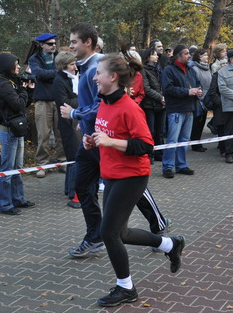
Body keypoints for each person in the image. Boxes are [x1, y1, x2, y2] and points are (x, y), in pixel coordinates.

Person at [60, 23, 170, 257]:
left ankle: (158, 224)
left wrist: (75, 114)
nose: (70, 46)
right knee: (83, 187)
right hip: (92, 138)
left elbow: (103, 104)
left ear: (87, 42)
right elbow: (95, 105)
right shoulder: (85, 67)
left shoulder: (98, 68)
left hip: (107, 140)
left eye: (74, 42)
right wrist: (85, 123)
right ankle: (95, 236)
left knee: (131, 187)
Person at [88, 52, 185, 307]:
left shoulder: (130, 108)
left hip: (132, 176)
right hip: (112, 174)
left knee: (108, 232)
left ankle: (126, 288)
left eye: (99, 73)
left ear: (113, 77)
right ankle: (169, 244)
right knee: (121, 232)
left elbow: (146, 145)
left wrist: (111, 142)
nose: (95, 77)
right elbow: (108, 134)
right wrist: (94, 141)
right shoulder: (105, 103)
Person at [0, 53, 34, 215]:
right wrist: (24, 91)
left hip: (17, 130)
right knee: (7, 168)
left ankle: (18, 199)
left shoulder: (13, 82)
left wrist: (29, 90)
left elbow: (25, 104)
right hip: (8, 131)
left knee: (17, 167)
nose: (19, 67)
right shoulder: (4, 85)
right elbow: (18, 105)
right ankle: (5, 204)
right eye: (16, 64)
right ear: (7, 66)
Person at [27, 33, 66, 177]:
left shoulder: (60, 56)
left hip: (60, 100)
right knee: (43, 134)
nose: (53, 46)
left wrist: (49, 74)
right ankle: (42, 165)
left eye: (54, 43)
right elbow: (38, 74)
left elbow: (66, 72)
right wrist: (57, 73)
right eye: (50, 44)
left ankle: (62, 162)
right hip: (43, 101)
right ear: (42, 45)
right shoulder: (34, 58)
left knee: (61, 133)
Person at [161, 45, 202, 178]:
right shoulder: (169, 70)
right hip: (176, 109)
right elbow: (167, 89)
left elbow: (197, 82)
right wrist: (187, 91)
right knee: (172, 139)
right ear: (178, 55)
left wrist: (198, 90)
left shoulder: (190, 70)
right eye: (186, 54)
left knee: (184, 139)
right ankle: (167, 166)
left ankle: (181, 165)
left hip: (189, 108)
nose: (189, 56)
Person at [52, 51, 81, 207]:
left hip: (75, 119)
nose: (75, 67)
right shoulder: (59, 81)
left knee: (74, 155)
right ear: (64, 66)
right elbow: (64, 102)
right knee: (73, 155)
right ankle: (72, 191)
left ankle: (71, 188)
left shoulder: (74, 78)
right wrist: (81, 98)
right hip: (67, 123)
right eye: (71, 64)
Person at [139, 48, 165, 162]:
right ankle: (150, 154)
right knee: (151, 130)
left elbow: (163, 85)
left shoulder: (160, 69)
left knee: (160, 131)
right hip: (150, 105)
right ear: (148, 57)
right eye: (154, 55)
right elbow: (146, 88)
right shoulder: (143, 70)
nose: (157, 56)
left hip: (161, 105)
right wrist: (160, 97)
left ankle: (160, 152)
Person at [189, 48, 212, 152]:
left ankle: (197, 141)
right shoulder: (194, 68)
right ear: (199, 57)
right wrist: (200, 94)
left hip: (207, 98)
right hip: (198, 99)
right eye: (205, 55)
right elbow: (194, 83)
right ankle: (195, 143)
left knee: (202, 122)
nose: (207, 57)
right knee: (197, 122)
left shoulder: (207, 68)